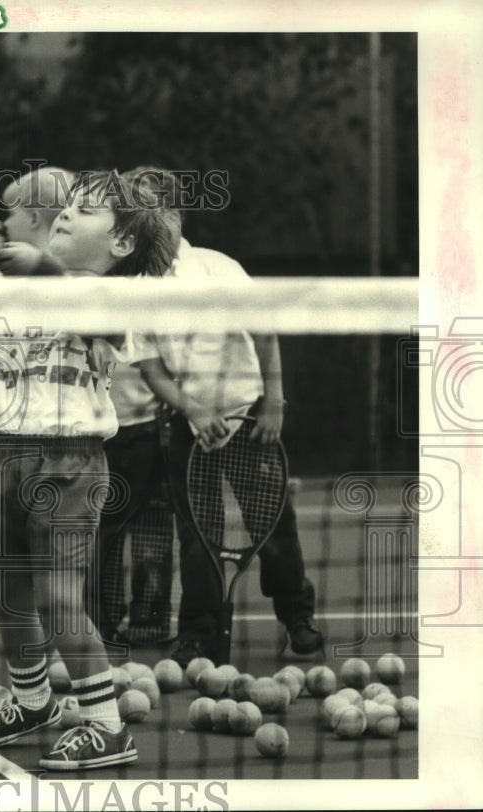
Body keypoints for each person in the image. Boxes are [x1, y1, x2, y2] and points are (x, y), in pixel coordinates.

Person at [0, 167, 181, 770]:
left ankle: (106, 725)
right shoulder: (19, 277)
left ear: (121, 244)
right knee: (8, 591)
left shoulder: (115, 295)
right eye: (68, 204)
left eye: (85, 210)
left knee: (59, 598)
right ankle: (32, 700)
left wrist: (43, 270)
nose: (67, 212)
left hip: (69, 462)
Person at [131, 167, 325, 665]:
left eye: (149, 206)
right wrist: (192, 409)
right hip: (186, 430)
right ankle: (199, 634)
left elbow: (264, 333)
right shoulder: (135, 288)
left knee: (275, 528)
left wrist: (273, 406)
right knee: (197, 537)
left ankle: (297, 618)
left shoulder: (221, 269)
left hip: (250, 423)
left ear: (174, 214)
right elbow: (151, 369)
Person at [93, 362, 175, 647]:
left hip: (149, 429)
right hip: (96, 430)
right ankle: (101, 618)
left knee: (151, 530)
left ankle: (150, 619)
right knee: (99, 529)